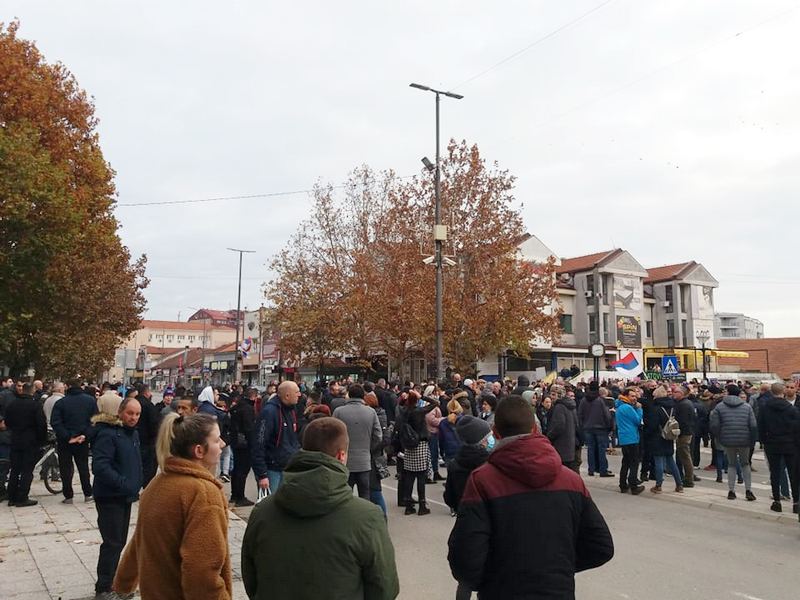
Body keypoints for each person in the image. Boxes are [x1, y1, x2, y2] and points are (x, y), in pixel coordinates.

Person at [447, 395, 613, 599]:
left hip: (502, 590)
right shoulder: (571, 480)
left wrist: (492, 578)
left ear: (496, 433)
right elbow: (600, 546)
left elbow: (466, 553)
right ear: (535, 429)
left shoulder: (483, 481)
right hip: (557, 591)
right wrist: (558, 569)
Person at [241, 417, 399, 600]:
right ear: (341, 456)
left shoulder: (263, 512)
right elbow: (384, 587)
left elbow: (251, 577)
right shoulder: (367, 517)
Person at [114, 412, 231, 600]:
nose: (223, 444)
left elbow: (140, 539)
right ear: (199, 451)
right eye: (217, 440)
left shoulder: (158, 483)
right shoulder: (203, 493)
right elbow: (201, 570)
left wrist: (124, 580)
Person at [90, 396, 143, 598]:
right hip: (110, 496)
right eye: (130, 413)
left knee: (119, 542)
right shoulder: (109, 434)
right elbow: (100, 466)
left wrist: (136, 482)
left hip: (124, 496)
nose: (134, 417)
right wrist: (123, 483)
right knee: (112, 543)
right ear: (120, 412)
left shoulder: (131, 434)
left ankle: (115, 583)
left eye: (137, 414)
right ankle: (103, 587)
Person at [50, 379, 98, 504]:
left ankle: (68, 495)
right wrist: (85, 435)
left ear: (68, 387)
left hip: (65, 441)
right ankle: (88, 493)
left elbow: (55, 422)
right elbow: (94, 421)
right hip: (82, 440)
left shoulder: (61, 403)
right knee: (83, 467)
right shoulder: (90, 401)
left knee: (65, 468)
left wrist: (68, 436)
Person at [333, 384, 383, 500]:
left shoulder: (339, 412)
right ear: (363, 396)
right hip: (364, 460)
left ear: (349, 395)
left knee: (344, 495)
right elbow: (378, 436)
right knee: (365, 495)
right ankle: (363, 517)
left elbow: (332, 434)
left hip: (344, 460)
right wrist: (369, 448)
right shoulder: (370, 412)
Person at [251, 380, 301, 495]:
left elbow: (292, 438)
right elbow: (259, 443)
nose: (299, 394)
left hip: (287, 468)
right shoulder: (269, 412)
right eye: (297, 392)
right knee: (270, 505)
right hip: (272, 469)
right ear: (287, 396)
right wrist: (262, 474)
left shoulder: (291, 410)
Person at [709, 384, 757, 501]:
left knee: (731, 464)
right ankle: (748, 490)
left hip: (727, 439)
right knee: (745, 464)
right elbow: (753, 425)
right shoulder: (747, 407)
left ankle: (731, 491)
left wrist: (719, 437)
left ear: (728, 393)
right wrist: (753, 440)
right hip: (744, 439)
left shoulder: (720, 407)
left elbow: (714, 425)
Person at [757, 382, 799, 513]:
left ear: (771, 392)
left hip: (772, 443)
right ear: (783, 392)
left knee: (775, 473)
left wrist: (763, 441)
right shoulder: (792, 409)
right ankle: (796, 502)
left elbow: (761, 426)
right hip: (790, 444)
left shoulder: (764, 408)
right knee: (794, 474)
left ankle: (777, 501)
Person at [4, 382, 47, 507]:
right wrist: (41, 439)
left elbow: (8, 421)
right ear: (32, 391)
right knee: (27, 470)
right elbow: (41, 424)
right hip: (30, 440)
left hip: (15, 439)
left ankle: (11, 496)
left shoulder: (13, 404)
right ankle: (22, 497)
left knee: (15, 469)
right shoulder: (35, 405)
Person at [396, 390, 440, 515]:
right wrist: (423, 396)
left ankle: (408, 505)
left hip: (408, 445)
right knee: (421, 476)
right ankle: (422, 505)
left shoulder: (403, 411)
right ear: (417, 400)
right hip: (420, 444)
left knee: (409, 476)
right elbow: (435, 403)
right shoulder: (419, 411)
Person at [444, 414, 491, 518]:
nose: (490, 439)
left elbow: (449, 497)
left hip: (464, 517)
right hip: (486, 519)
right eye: (488, 437)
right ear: (481, 441)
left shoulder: (454, 463)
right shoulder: (489, 464)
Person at [644, 386, 684, 494]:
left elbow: (652, 425)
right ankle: (679, 484)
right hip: (669, 436)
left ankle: (658, 485)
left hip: (658, 436)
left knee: (659, 461)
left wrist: (647, 433)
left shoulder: (656, 409)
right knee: (671, 460)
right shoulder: (672, 407)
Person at [229, 387, 257, 506]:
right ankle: (240, 497)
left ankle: (234, 495)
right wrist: (253, 443)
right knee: (243, 469)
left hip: (235, 441)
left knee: (236, 469)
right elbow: (248, 428)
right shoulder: (248, 409)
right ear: (253, 397)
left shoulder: (237, 407)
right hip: (244, 443)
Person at [578, 383, 613, 477]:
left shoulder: (584, 400)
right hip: (600, 428)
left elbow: (580, 414)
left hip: (587, 428)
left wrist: (583, 425)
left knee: (591, 448)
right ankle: (602, 470)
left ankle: (591, 469)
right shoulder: (600, 400)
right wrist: (609, 426)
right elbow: (606, 415)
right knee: (601, 449)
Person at [615, 388, 644, 494]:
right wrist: (639, 410)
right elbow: (637, 420)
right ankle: (634, 485)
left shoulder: (619, 406)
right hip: (631, 437)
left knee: (626, 462)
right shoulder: (628, 407)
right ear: (626, 396)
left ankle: (623, 484)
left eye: (635, 396)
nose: (634, 398)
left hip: (623, 437)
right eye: (632, 396)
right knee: (634, 462)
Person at [546, 385, 580, 472]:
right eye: (551, 394)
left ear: (559, 395)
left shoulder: (559, 407)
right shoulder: (571, 406)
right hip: (569, 446)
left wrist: (548, 436)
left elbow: (559, 425)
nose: (551, 397)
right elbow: (576, 424)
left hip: (560, 446)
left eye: (553, 394)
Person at [135, 384, 159, 487]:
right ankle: (145, 486)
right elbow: (154, 424)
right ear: (146, 392)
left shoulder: (133, 403)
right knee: (148, 467)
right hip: (147, 442)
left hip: (134, 439)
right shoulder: (149, 406)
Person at [673, 387, 697, 487]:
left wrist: (678, 433)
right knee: (685, 456)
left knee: (685, 457)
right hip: (686, 432)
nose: (674, 393)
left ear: (682, 393)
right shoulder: (685, 403)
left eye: (676, 392)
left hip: (684, 434)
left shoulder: (684, 405)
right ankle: (688, 478)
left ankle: (689, 479)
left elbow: (683, 421)